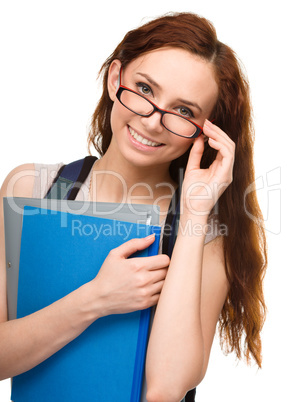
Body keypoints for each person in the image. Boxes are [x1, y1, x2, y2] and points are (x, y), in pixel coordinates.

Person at [0, 12, 267, 402]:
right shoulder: (32, 190)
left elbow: (166, 389)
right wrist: (96, 300)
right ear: (115, 79)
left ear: (206, 132)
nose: (153, 121)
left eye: (184, 111)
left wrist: (193, 214)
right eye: (144, 88)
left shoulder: (205, 235)